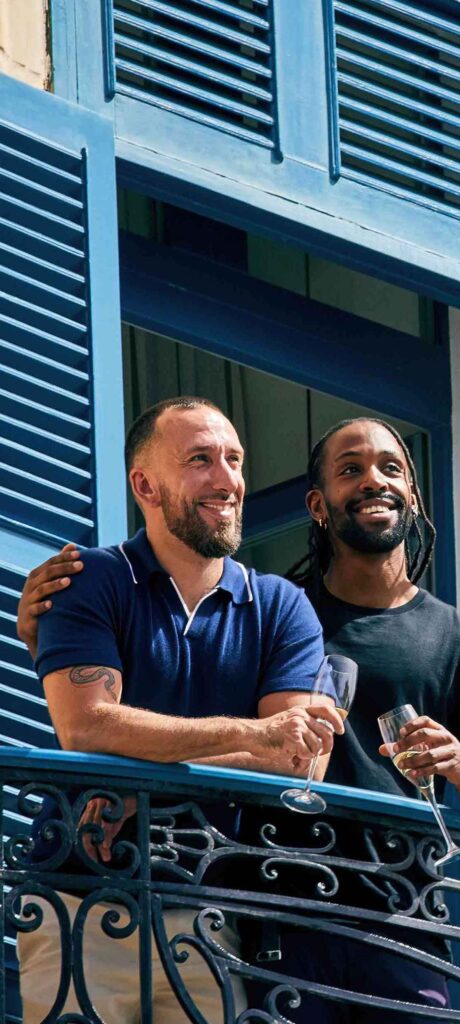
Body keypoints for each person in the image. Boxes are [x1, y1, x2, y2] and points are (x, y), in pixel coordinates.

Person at [18, 415, 460, 1021]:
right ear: (317, 505)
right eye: (350, 470)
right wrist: (55, 634)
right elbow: (96, 722)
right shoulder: (288, 608)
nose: (374, 481)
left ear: (413, 495)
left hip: (398, 915)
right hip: (269, 913)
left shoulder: (443, 641)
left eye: (391, 468)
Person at [13, 396, 343, 1024]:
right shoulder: (88, 578)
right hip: (78, 902)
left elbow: (300, 760)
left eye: (234, 460)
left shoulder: (282, 607)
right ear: (145, 485)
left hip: (210, 916)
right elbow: (87, 724)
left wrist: (148, 779)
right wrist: (252, 734)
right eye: (200, 460)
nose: (227, 480)